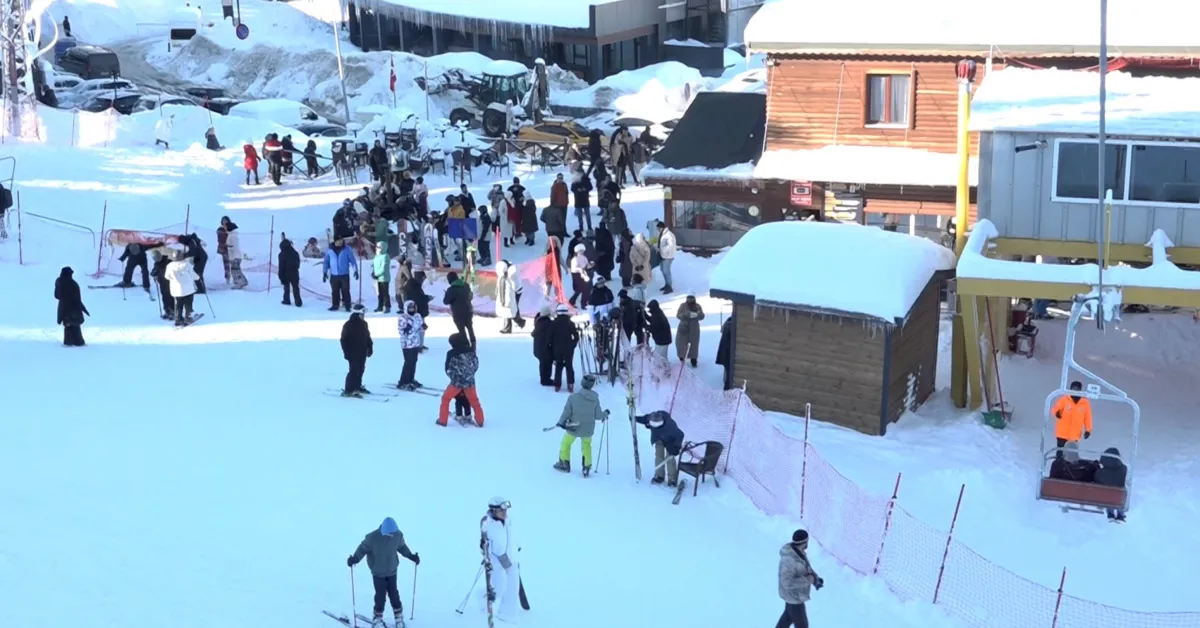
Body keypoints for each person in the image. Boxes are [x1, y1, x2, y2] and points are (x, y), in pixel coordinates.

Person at [347, 517, 419, 628]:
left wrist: (411, 556)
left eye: (393, 533)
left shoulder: (397, 535)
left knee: (394, 594)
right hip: (378, 572)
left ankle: (398, 616)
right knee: (380, 596)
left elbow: (402, 547)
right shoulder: (372, 538)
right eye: (389, 534)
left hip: (392, 571)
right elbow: (362, 549)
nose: (391, 535)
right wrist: (355, 558)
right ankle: (377, 618)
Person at [553, 373, 608, 477]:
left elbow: (566, 412)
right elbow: (598, 415)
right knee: (586, 446)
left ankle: (564, 463)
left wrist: (561, 422)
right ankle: (586, 467)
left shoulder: (573, 398)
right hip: (588, 428)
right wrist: (606, 413)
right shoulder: (595, 399)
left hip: (573, 426)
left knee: (566, 443)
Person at [481, 497, 524, 623]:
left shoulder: (508, 520)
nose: (505, 513)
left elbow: (513, 535)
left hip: (512, 560)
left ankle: (507, 614)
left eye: (505, 511)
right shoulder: (489, 525)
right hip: (498, 563)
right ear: (494, 511)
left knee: (512, 588)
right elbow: (496, 548)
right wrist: (506, 563)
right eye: (501, 511)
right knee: (498, 588)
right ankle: (482, 600)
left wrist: (517, 547)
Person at [776, 529, 822, 628]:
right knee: (802, 625)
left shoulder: (798, 552)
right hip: (794, 597)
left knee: (788, 617)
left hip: (795, 596)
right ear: (805, 542)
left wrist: (815, 579)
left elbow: (806, 568)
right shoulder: (789, 560)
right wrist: (808, 580)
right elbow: (786, 582)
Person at [437, 332, 484, 426]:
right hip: (470, 381)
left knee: (446, 399)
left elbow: (448, 368)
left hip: (456, 383)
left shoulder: (451, 353)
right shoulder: (471, 351)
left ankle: (442, 421)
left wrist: (454, 378)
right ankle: (480, 421)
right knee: (475, 401)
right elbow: (476, 365)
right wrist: (470, 375)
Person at [635, 410, 684, 486]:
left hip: (671, 440)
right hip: (658, 438)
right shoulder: (650, 418)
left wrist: (677, 447)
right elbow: (643, 419)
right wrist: (633, 418)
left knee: (669, 458)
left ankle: (672, 479)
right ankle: (659, 476)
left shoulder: (670, 426)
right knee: (658, 456)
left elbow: (680, 435)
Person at [1051, 381, 1092, 460]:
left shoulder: (1085, 403)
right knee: (1060, 454)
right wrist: (1057, 413)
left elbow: (1088, 417)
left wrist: (1088, 430)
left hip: (1074, 435)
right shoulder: (1064, 399)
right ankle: (1058, 468)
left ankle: (1070, 470)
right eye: (1073, 388)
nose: (1075, 390)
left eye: (1077, 389)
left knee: (1072, 455)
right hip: (1062, 433)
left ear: (1080, 390)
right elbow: (1054, 409)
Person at [340, 304, 373, 397]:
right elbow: (343, 340)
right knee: (354, 370)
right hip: (352, 353)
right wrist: (346, 353)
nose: (364, 316)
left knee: (361, 369)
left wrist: (370, 347)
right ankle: (349, 389)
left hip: (362, 351)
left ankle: (357, 386)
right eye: (362, 314)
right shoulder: (348, 325)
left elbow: (367, 337)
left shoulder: (364, 324)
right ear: (357, 314)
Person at [548, 303, 580, 392]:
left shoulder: (553, 323)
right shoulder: (570, 323)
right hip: (568, 348)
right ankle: (570, 384)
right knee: (569, 365)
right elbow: (576, 336)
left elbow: (549, 337)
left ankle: (557, 385)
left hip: (557, 348)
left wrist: (551, 346)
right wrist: (573, 345)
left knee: (558, 366)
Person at [54, 266, 89, 346]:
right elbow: (77, 300)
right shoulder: (73, 284)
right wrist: (82, 309)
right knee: (75, 327)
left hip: (63, 309)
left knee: (67, 326)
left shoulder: (58, 282)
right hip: (74, 310)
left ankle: (68, 343)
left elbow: (56, 296)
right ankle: (78, 342)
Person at [164, 249, 200, 326]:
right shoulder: (186, 265)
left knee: (178, 305)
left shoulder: (169, 266)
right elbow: (194, 275)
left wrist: (174, 278)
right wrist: (198, 277)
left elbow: (167, 277)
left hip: (176, 290)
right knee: (188, 304)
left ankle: (178, 319)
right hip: (188, 289)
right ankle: (188, 317)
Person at [441, 271, 476, 347]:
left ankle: (466, 345)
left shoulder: (451, 290)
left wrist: (446, 294)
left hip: (458, 313)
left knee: (462, 330)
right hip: (468, 310)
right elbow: (470, 296)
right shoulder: (466, 285)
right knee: (470, 328)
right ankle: (473, 345)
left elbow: (445, 301)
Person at [323, 237, 359, 312]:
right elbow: (326, 262)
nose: (341, 242)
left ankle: (347, 305)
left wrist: (355, 271)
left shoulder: (347, 250)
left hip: (344, 274)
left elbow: (352, 261)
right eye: (339, 241)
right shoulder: (330, 250)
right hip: (334, 275)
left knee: (345, 291)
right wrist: (325, 272)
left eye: (342, 241)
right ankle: (335, 305)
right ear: (335, 241)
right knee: (335, 291)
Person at [396, 300, 425, 390]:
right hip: (407, 344)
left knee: (414, 361)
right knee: (408, 362)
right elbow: (401, 331)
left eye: (413, 308)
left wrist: (422, 326)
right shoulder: (403, 318)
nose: (412, 310)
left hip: (415, 343)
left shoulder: (417, 316)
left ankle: (410, 379)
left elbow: (419, 326)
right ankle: (403, 381)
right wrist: (408, 328)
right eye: (410, 308)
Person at [1094, 447, 1128, 522]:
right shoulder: (1123, 470)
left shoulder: (1100, 473)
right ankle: (1120, 515)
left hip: (1107, 500)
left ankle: (1110, 513)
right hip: (1119, 499)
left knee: (1108, 495)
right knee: (1119, 494)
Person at [494, 260, 525, 334]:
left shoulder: (510, 274)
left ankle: (509, 326)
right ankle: (519, 322)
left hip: (516, 292)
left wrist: (507, 299)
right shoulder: (504, 274)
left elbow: (512, 287)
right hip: (512, 292)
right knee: (511, 308)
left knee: (510, 308)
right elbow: (500, 285)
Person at [675, 292, 705, 367]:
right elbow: (678, 315)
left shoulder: (698, 306)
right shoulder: (682, 306)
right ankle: (681, 357)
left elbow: (702, 316)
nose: (690, 299)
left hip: (694, 327)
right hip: (683, 326)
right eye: (689, 298)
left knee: (694, 344)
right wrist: (685, 315)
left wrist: (697, 315)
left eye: (691, 298)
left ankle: (693, 359)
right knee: (680, 342)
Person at [220, 216, 249, 289]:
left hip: (235, 257)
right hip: (235, 256)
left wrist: (228, 246)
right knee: (237, 270)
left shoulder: (232, 236)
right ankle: (243, 281)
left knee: (234, 271)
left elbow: (234, 246)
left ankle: (238, 283)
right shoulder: (232, 235)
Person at [531, 305, 554, 386]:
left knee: (543, 363)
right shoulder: (548, 324)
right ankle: (545, 380)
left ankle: (544, 378)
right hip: (545, 349)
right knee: (546, 364)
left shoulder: (538, 322)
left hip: (538, 348)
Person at [277, 236, 302, 307]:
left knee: (286, 288)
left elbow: (281, 266)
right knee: (296, 288)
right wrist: (295, 268)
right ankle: (298, 302)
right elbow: (298, 263)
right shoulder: (295, 253)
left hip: (285, 274)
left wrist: (280, 275)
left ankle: (286, 300)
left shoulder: (281, 254)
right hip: (295, 273)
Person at [150, 249, 175, 319]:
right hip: (162, 283)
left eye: (157, 257)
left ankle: (173, 311)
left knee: (170, 297)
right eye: (155, 258)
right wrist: (155, 275)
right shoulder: (157, 264)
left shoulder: (168, 262)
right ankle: (167, 311)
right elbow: (153, 273)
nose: (157, 259)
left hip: (170, 283)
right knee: (164, 297)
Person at [656, 221, 677, 293]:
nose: (657, 230)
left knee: (666, 271)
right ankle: (667, 284)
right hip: (663, 256)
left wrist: (662, 250)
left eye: (658, 228)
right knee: (663, 270)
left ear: (661, 228)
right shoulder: (663, 234)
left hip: (668, 256)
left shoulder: (669, 235)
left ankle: (669, 286)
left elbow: (671, 246)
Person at [372, 240, 391, 313]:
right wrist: (373, 273)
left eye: (379, 247)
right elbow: (374, 265)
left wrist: (377, 274)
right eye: (377, 247)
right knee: (379, 293)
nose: (377, 248)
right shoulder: (377, 256)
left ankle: (387, 306)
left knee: (385, 293)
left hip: (384, 278)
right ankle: (380, 306)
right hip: (378, 278)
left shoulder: (385, 256)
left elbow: (384, 268)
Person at [716, 316, 733, 389]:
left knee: (728, 371)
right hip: (727, 352)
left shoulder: (729, 322)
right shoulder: (731, 324)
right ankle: (727, 391)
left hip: (726, 352)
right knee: (729, 372)